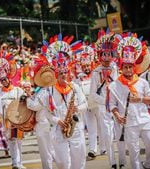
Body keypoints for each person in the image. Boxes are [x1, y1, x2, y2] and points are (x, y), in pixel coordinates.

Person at [33, 34, 88, 169]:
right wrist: (57, 120)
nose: (64, 76)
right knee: (63, 163)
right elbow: (46, 113)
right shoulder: (50, 90)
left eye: (65, 73)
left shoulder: (74, 87)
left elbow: (85, 104)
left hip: (75, 129)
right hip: (59, 129)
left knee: (79, 159)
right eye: (60, 74)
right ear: (55, 75)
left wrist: (77, 109)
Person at [111, 34, 150, 169]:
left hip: (144, 119)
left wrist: (140, 99)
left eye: (130, 67)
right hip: (129, 123)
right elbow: (112, 105)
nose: (128, 70)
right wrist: (117, 115)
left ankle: (148, 164)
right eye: (125, 67)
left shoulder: (142, 82)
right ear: (121, 68)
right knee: (133, 151)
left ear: (133, 67)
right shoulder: (114, 85)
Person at [0, 53, 27, 169]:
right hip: (6, 122)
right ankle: (14, 163)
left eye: (5, 79)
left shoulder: (18, 90)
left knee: (19, 142)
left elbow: (25, 104)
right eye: (1, 80)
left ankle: (20, 162)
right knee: (11, 141)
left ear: (9, 78)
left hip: (18, 121)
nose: (4, 81)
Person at [90, 30, 119, 168]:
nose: (107, 57)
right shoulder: (96, 72)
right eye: (104, 54)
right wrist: (105, 102)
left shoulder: (117, 69)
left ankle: (123, 162)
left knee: (120, 135)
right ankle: (112, 161)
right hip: (103, 108)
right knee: (108, 135)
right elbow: (93, 94)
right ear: (100, 56)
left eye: (109, 54)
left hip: (118, 107)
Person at [74, 45, 105, 160]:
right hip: (87, 108)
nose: (86, 67)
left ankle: (103, 147)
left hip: (98, 105)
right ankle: (92, 150)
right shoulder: (77, 79)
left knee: (101, 127)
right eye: (84, 66)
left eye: (88, 65)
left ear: (91, 64)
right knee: (92, 129)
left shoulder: (96, 74)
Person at [26, 58, 56, 169]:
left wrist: (28, 98)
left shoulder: (43, 91)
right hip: (51, 122)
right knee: (53, 150)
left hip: (43, 123)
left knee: (46, 152)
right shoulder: (52, 89)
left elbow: (34, 106)